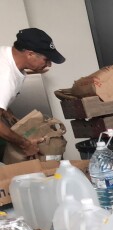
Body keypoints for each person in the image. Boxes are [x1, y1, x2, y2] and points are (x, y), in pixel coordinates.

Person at [0, 28, 65, 159]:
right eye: (46, 59)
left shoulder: (6, 55)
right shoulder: (6, 76)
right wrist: (25, 144)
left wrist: (8, 114)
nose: (49, 65)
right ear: (30, 54)